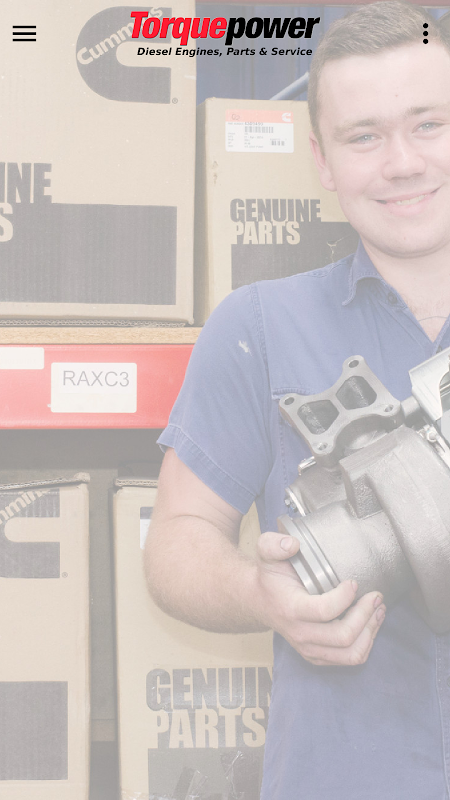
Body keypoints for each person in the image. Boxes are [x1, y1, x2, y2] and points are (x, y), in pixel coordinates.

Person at [145, 3, 450, 797]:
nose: (403, 162)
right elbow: (175, 541)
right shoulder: (257, 328)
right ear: (321, 159)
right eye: (364, 136)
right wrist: (258, 591)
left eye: (429, 124)